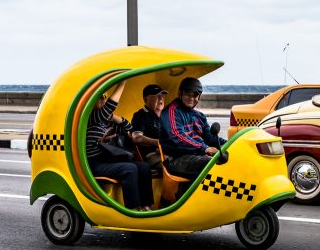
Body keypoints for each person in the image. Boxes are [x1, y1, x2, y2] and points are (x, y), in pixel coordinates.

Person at [86, 80, 154, 211]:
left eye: (104, 97)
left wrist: (111, 117)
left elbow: (128, 127)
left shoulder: (105, 122)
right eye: (99, 97)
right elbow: (109, 107)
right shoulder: (91, 117)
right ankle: (133, 209)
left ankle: (146, 207)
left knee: (144, 167)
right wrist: (123, 82)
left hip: (107, 161)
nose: (103, 99)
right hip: (95, 164)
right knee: (130, 169)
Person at [160, 77, 226, 179]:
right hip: (176, 159)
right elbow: (177, 136)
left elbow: (210, 137)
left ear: (199, 97)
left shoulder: (199, 116)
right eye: (187, 93)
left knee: (229, 158)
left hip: (197, 156)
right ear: (180, 93)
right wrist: (205, 148)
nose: (191, 98)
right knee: (212, 164)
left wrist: (230, 143)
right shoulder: (172, 112)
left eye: (195, 95)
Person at [131, 84, 168, 174]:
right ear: (145, 99)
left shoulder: (166, 116)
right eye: (156, 96)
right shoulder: (140, 115)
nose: (161, 98)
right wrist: (158, 142)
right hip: (151, 156)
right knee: (178, 162)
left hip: (167, 152)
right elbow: (137, 137)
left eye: (162, 95)